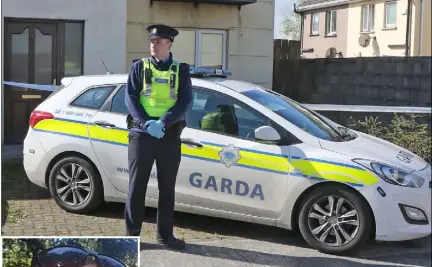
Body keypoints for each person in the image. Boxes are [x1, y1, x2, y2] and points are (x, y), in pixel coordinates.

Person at [124, 23, 192, 250]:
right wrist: (147, 123)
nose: (154, 45)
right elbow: (130, 98)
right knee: (136, 187)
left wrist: (162, 122)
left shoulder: (181, 70)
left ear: (170, 44)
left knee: (167, 187)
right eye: (152, 41)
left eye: (159, 41)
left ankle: (165, 236)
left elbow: (184, 101)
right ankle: (132, 237)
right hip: (142, 135)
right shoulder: (139, 67)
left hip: (168, 136)